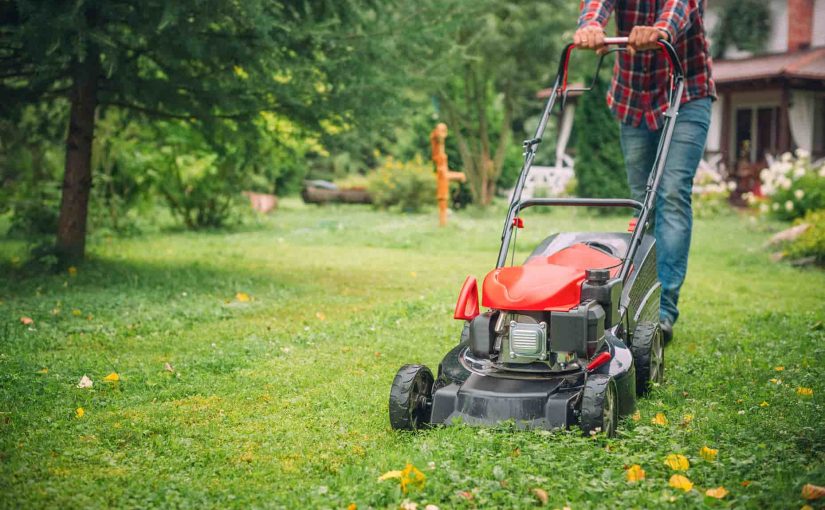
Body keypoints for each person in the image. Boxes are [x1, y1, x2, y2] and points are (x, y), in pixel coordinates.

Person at [574, 0, 715, 343]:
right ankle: (640, 304)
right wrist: (592, 24)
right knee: (643, 203)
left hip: (687, 93)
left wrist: (661, 30)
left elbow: (680, 6)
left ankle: (664, 311)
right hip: (633, 98)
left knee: (671, 192)